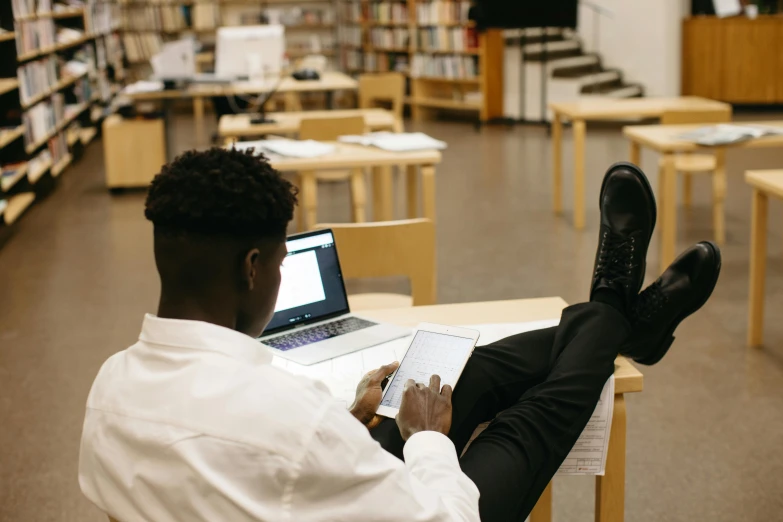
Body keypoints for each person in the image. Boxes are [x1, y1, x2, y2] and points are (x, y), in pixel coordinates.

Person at [78, 149, 721, 522]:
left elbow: (255, 461)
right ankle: (614, 313)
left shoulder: (109, 388)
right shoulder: (288, 421)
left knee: (462, 372)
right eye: (278, 263)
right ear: (252, 269)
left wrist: (354, 417)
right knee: (532, 424)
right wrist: (429, 443)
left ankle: (621, 323)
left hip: (306, 497)